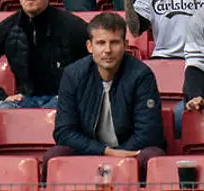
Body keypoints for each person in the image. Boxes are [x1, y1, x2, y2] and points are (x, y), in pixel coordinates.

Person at [48, 13, 164, 169]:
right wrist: (105, 152)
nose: (107, 50)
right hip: (88, 151)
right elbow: (64, 131)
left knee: (152, 156)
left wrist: (119, 153)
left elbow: (149, 132)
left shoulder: (141, 75)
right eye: (101, 43)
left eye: (114, 42)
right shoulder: (72, 75)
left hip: (131, 152)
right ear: (90, 46)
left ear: (125, 44)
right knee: (54, 156)